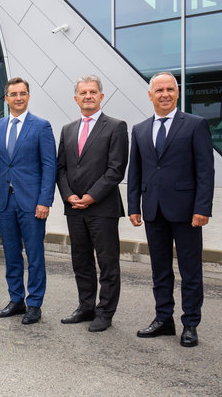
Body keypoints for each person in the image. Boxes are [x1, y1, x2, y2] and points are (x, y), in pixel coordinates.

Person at [127, 71, 214, 347]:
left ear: (177, 93)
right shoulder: (140, 129)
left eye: (170, 89)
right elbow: (135, 170)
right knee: (160, 270)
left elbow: (205, 171)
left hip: (187, 212)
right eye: (159, 90)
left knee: (190, 271)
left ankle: (190, 323)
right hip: (153, 210)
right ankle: (164, 319)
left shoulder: (195, 125)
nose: (164, 94)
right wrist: (133, 206)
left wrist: (203, 207)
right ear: (150, 95)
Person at [56, 75, 128, 332]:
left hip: (102, 207)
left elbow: (116, 169)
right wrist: (68, 195)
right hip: (74, 208)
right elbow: (61, 168)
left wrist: (92, 196)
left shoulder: (116, 127)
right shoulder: (68, 129)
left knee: (107, 263)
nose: (88, 96)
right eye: (83, 92)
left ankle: (105, 312)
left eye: (93, 92)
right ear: (76, 98)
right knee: (81, 260)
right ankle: (86, 307)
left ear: (101, 96)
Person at [0, 77, 56, 325]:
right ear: (6, 98)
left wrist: (45, 201)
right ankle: (16, 300)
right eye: (13, 94)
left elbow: (49, 166)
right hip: (4, 202)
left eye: (22, 93)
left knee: (35, 256)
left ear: (28, 96)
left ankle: (34, 304)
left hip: (32, 203)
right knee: (12, 255)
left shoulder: (41, 126)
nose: (18, 98)